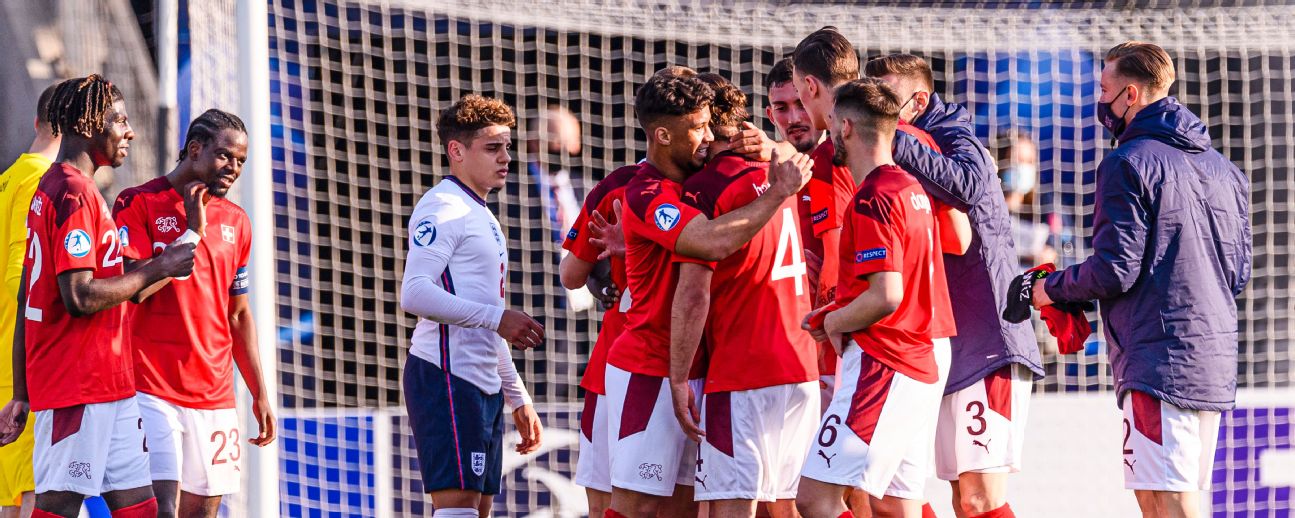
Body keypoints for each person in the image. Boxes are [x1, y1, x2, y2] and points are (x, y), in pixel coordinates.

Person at [1032, 41, 1250, 518]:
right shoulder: (1225, 170)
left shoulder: (1127, 161)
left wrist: (1049, 288)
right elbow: (1238, 272)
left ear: (1129, 94)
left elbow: (1115, 268)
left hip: (1160, 359)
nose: (1099, 99)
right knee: (1161, 501)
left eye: (1103, 89)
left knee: (1168, 503)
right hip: (1209, 359)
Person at [601, 72, 812, 518]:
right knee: (634, 506)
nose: (707, 135)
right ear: (662, 135)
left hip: (704, 368)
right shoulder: (648, 192)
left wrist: (777, 151)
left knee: (685, 508)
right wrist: (777, 190)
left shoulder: (707, 180)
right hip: (654, 366)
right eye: (696, 127)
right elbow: (711, 243)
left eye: (707, 123)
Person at [0, 74, 197, 518]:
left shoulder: (66, 188)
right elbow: (79, 296)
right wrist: (159, 266)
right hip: (77, 389)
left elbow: (26, 291)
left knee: (141, 508)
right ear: (89, 125)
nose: (129, 131)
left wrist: (21, 393)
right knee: (56, 507)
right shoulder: (71, 194)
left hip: (110, 387)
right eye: (120, 120)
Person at [867, 53, 1044, 518]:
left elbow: (966, 185)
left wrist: (892, 135)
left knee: (980, 498)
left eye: (886, 98)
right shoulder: (912, 144)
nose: (875, 108)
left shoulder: (951, 133)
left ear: (918, 100)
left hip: (990, 336)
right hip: (946, 338)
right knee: (916, 494)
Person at [798, 78, 964, 518]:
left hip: (884, 361)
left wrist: (833, 323)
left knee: (816, 499)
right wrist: (836, 310)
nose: (829, 130)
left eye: (833, 121)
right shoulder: (912, 187)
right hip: (916, 360)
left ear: (847, 127)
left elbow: (887, 295)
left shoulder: (872, 197)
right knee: (899, 504)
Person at [110, 109, 275, 518]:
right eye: (224, 156)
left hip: (215, 396)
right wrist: (193, 234)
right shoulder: (137, 202)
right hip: (150, 389)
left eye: (240, 161)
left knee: (203, 514)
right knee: (160, 511)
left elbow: (238, 314)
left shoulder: (238, 221)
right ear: (195, 149)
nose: (233, 168)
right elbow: (136, 290)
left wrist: (259, 391)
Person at [669, 73, 819, 518]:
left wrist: (679, 378)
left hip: (743, 370)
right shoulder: (782, 172)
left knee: (730, 505)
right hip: (800, 365)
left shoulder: (706, 187)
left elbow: (694, 294)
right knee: (787, 504)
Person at [399, 94, 545, 518]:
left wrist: (517, 396)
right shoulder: (444, 206)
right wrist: (498, 317)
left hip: (481, 383)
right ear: (457, 151)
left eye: (508, 147)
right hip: (445, 374)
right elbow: (415, 292)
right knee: (457, 510)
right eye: (493, 147)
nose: (506, 157)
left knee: (476, 511)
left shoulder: (482, 213)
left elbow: (486, 316)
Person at [0, 82, 61, 518]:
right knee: (33, 494)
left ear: (37, 121)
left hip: (5, 358)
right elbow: (23, 277)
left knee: (12, 498)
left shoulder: (9, 177)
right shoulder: (40, 180)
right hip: (25, 368)